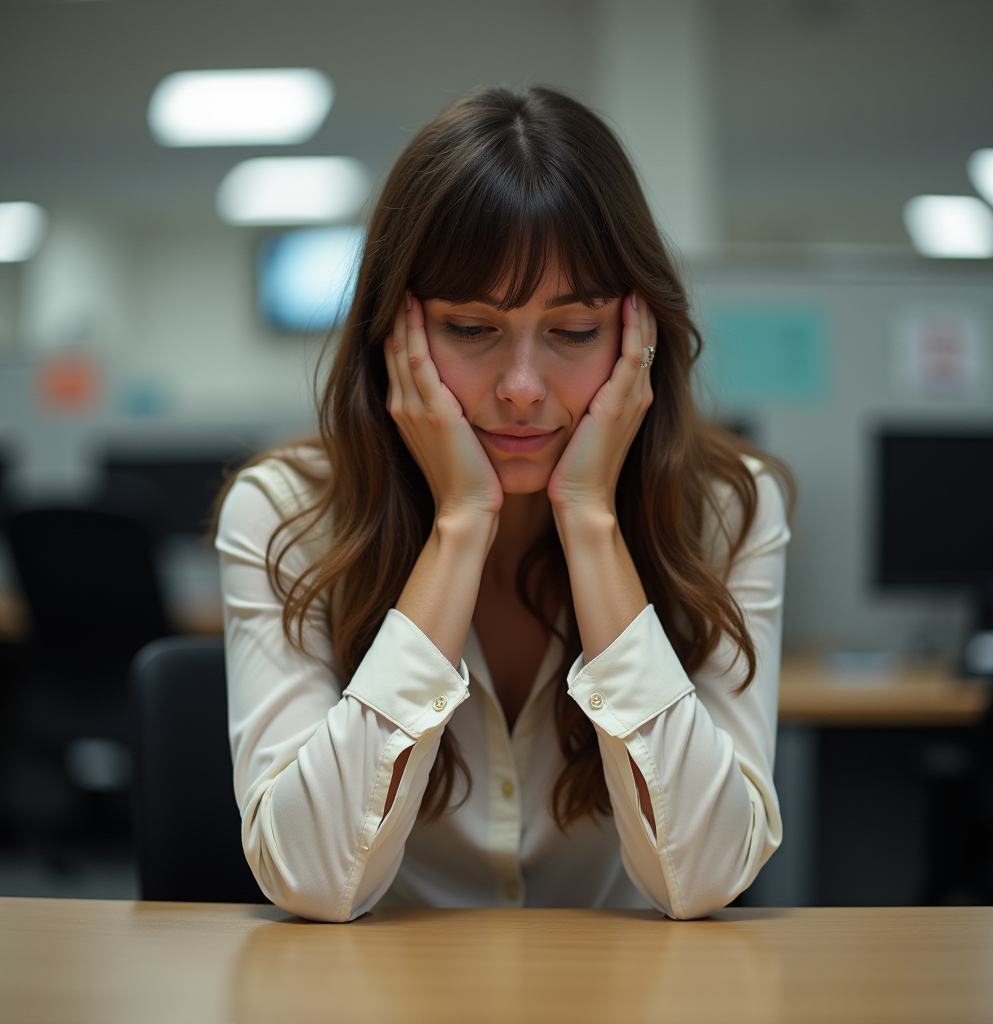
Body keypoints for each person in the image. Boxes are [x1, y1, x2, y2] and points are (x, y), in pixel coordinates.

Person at [215, 85, 792, 923]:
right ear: (394, 335)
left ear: (639, 338)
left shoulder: (728, 512)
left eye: (575, 331)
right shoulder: (283, 516)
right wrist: (458, 528)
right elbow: (310, 880)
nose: (522, 390)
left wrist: (592, 520)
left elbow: (701, 878)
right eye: (473, 328)